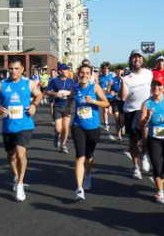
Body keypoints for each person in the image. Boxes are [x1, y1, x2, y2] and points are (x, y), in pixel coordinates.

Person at [0, 59, 43, 202]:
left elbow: (39, 95)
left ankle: (20, 184)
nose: (13, 71)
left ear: (22, 69)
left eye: (16, 68)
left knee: (20, 153)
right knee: (11, 156)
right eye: (11, 68)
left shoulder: (29, 83)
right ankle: (15, 175)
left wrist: (34, 105)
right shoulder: (1, 85)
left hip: (25, 125)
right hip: (8, 125)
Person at [71, 64, 109, 201]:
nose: (84, 75)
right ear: (78, 73)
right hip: (78, 126)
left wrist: (93, 101)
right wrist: (67, 108)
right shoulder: (75, 88)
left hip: (93, 127)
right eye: (82, 72)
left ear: (91, 75)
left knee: (89, 155)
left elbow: (106, 103)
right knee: (80, 156)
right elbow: (70, 99)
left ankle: (88, 174)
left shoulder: (95, 87)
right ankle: (79, 188)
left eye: (87, 73)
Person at [140, 79, 164, 204]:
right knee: (157, 166)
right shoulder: (147, 103)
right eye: (154, 85)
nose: (156, 87)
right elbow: (142, 124)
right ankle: (160, 193)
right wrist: (147, 117)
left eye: (159, 85)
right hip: (154, 139)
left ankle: (161, 179)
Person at [121, 50, 154, 178]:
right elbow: (123, 97)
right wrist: (123, 85)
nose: (137, 59)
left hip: (146, 109)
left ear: (143, 59)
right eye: (134, 57)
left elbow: (156, 88)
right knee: (133, 141)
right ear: (131, 60)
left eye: (139, 57)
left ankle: (144, 155)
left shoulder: (149, 73)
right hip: (131, 111)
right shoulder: (126, 78)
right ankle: (136, 167)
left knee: (146, 137)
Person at [45, 63, 77, 153]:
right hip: (57, 106)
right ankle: (57, 135)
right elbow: (47, 91)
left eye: (67, 69)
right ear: (60, 71)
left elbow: (75, 91)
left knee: (66, 128)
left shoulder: (71, 81)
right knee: (59, 129)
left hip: (68, 106)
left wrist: (70, 94)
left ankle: (63, 145)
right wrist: (56, 94)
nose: (67, 71)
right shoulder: (54, 81)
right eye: (65, 69)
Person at [109, 66, 126, 141]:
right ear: (115, 71)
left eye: (121, 71)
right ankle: (119, 136)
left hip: (124, 102)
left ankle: (123, 126)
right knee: (117, 119)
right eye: (118, 71)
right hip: (115, 101)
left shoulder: (126, 79)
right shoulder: (112, 80)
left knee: (122, 120)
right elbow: (108, 91)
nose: (119, 72)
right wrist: (110, 91)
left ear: (123, 71)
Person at [97, 62, 115, 130]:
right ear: (102, 69)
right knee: (105, 111)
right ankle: (106, 124)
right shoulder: (100, 77)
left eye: (107, 68)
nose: (106, 70)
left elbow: (115, 86)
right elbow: (98, 86)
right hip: (103, 96)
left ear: (109, 69)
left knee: (110, 112)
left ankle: (119, 123)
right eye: (104, 68)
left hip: (111, 96)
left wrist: (112, 90)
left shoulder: (112, 76)